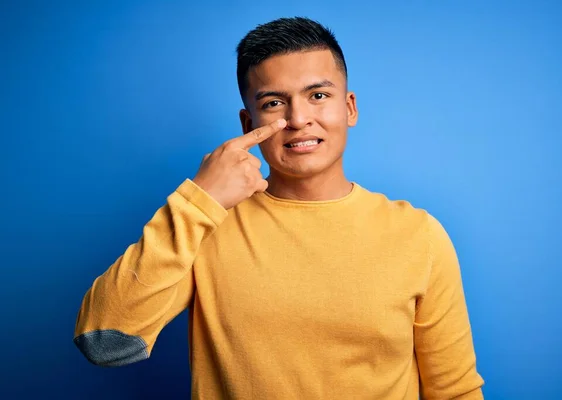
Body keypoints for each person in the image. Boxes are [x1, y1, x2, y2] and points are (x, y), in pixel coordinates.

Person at [73, 16, 485, 399]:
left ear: (350, 108)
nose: (298, 118)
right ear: (248, 124)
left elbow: (456, 391)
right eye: (273, 103)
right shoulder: (208, 223)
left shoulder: (419, 235)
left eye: (318, 95)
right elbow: (105, 343)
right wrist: (199, 200)